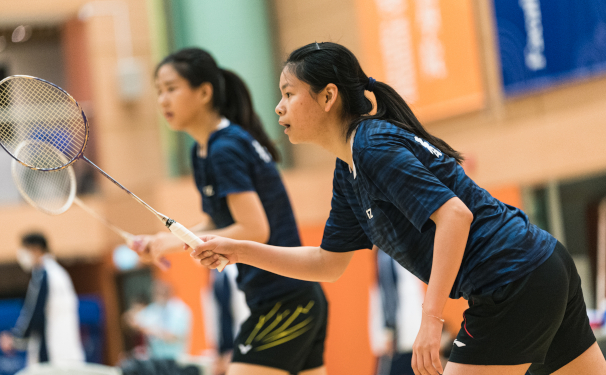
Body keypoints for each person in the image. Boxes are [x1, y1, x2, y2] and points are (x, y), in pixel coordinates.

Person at [191, 42, 606, 375]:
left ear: (328, 97)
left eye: (288, 94)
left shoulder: (371, 146)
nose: (278, 107)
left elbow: (454, 216)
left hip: (511, 279)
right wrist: (238, 250)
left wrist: (430, 319)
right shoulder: (349, 165)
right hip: (543, 265)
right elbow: (327, 263)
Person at [132, 48, 328, 375]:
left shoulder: (225, 149)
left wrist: (183, 244)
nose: (162, 100)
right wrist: (165, 241)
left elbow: (253, 229)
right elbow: (217, 221)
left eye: (171, 88)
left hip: (284, 300)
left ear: (205, 92)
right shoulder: (203, 150)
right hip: (292, 297)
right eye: (158, 91)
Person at [0, 232, 85, 366]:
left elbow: (35, 313)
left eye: (24, 249)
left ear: (36, 249)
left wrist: (15, 339)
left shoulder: (43, 275)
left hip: (52, 355)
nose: (22, 255)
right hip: (70, 354)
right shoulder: (60, 273)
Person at [127, 280, 192, 361]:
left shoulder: (180, 310)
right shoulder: (155, 309)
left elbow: (173, 338)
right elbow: (130, 320)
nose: (157, 296)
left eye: (160, 293)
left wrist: (152, 330)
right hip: (157, 359)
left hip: (176, 359)